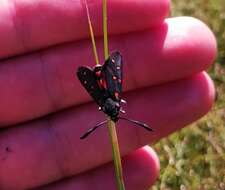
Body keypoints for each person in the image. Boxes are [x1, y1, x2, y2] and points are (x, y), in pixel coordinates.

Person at [0, 0, 217, 189]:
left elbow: (109, 94)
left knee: (102, 86)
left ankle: (100, 75)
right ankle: (101, 76)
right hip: (105, 86)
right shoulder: (108, 105)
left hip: (104, 86)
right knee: (104, 87)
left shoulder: (109, 105)